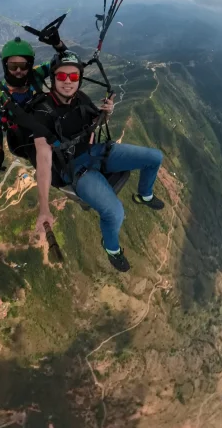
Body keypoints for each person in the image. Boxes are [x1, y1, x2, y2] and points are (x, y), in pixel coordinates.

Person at [29, 51, 164, 272]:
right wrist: (44, 208)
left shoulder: (80, 97)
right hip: (76, 169)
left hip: (98, 152)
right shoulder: (42, 112)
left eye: (73, 77)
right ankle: (111, 248)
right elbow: (43, 161)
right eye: (62, 77)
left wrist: (107, 112)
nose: (68, 82)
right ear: (52, 79)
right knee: (115, 213)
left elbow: (96, 122)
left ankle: (145, 195)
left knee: (154, 158)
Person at [0, 32, 66, 172]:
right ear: (5, 66)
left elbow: (64, 62)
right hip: (24, 142)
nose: (18, 70)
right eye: (13, 66)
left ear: (29, 65)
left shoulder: (36, 75)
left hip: (49, 130)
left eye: (23, 65)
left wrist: (59, 45)